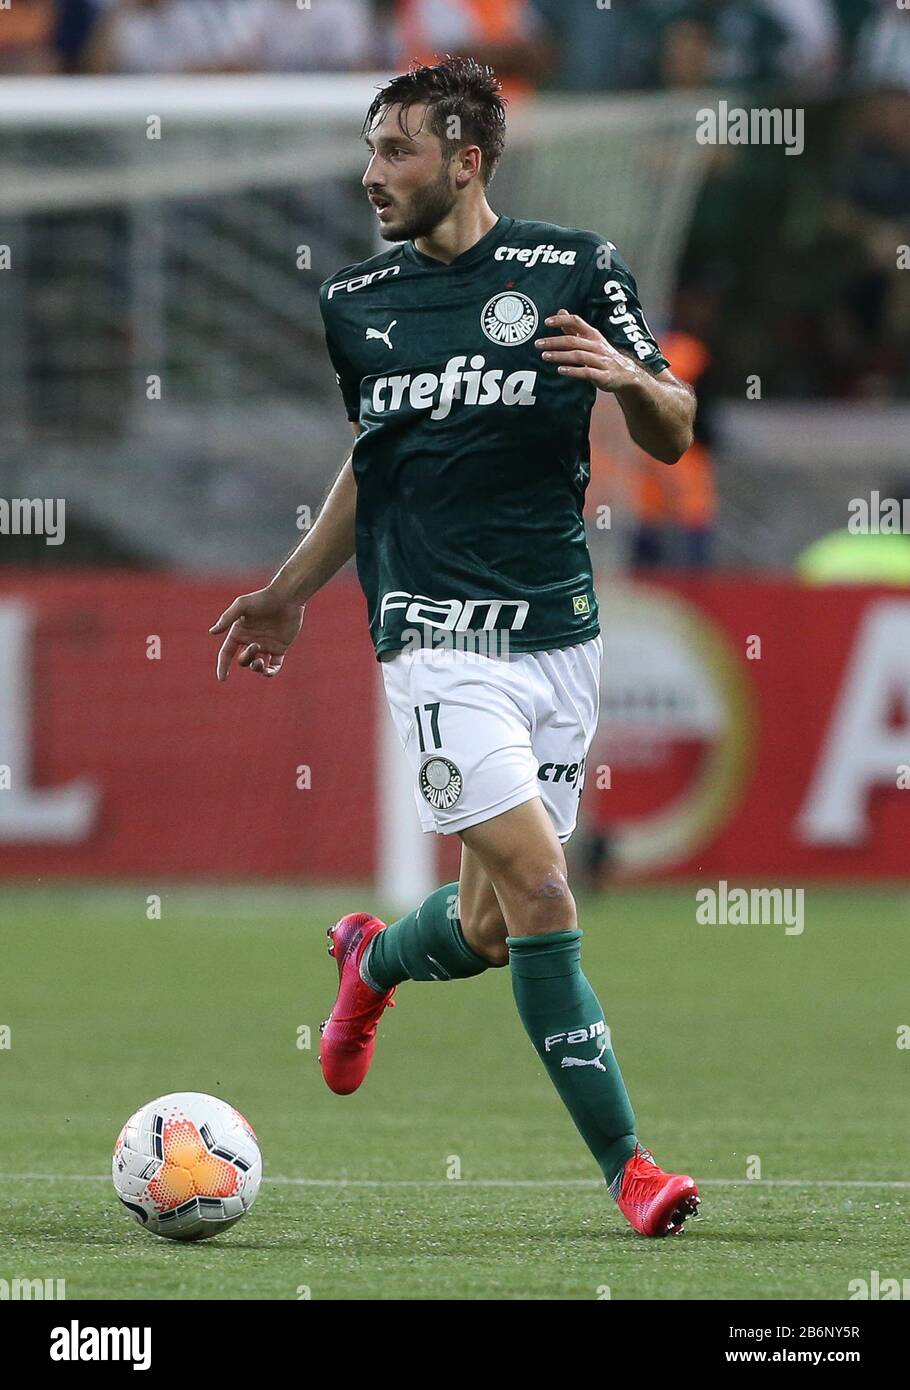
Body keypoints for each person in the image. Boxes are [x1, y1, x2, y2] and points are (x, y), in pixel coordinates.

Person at [210, 58, 700, 1238]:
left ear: (466, 160)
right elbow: (373, 466)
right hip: (434, 638)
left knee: (485, 929)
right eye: (370, 149)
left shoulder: (573, 269)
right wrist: (288, 589)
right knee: (541, 888)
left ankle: (372, 960)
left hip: (559, 640)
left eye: (396, 152)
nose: (371, 174)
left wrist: (628, 378)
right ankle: (631, 1169)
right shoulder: (357, 303)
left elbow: (675, 429)